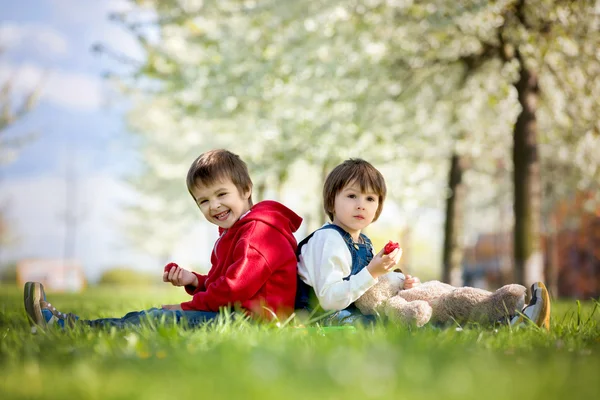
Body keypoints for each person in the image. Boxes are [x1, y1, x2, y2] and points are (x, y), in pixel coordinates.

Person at [24, 149, 302, 329]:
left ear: (246, 189)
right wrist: (195, 281)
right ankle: (73, 325)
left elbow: (233, 289)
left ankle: (69, 327)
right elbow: (229, 282)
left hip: (251, 322)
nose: (214, 206)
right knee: (152, 317)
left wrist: (187, 307)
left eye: (221, 194)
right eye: (203, 200)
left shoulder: (259, 233)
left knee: (159, 318)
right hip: (236, 314)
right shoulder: (238, 232)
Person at [296, 158, 551, 328]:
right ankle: (507, 321)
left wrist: (399, 281)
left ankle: (509, 310)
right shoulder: (327, 240)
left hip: (360, 309)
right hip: (332, 319)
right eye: (351, 196)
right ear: (331, 202)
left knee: (436, 294)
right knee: (424, 315)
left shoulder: (362, 241)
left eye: (370, 198)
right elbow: (329, 300)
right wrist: (373, 272)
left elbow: (373, 287)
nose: (361, 204)